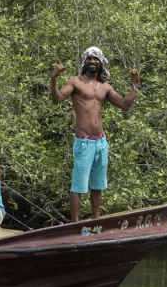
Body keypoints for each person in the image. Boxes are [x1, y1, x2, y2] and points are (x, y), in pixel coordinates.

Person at [51, 46, 141, 221]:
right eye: (89, 59)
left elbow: (125, 105)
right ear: (84, 62)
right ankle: (75, 224)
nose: (92, 62)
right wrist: (54, 78)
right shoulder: (75, 82)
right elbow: (57, 100)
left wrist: (135, 84)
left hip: (101, 142)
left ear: (101, 63)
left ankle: (96, 221)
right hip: (83, 142)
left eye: (96, 59)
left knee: (98, 185)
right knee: (78, 186)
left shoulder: (105, 86)